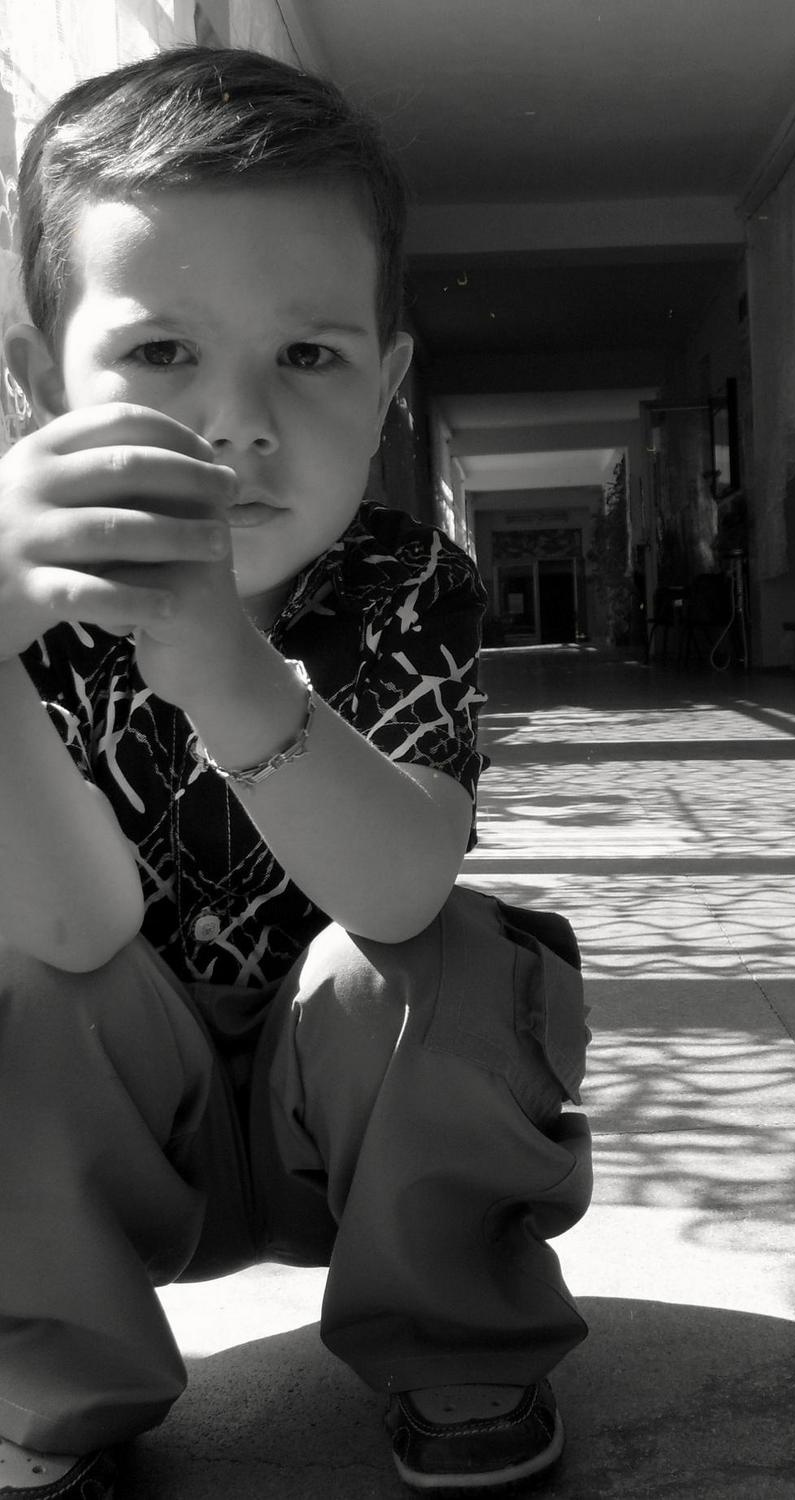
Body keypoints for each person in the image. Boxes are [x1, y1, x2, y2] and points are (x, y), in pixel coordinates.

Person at [0, 45, 591, 1498]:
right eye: (160, 353)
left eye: (309, 356)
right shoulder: (24, 606)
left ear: (388, 386)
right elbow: (69, 934)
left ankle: (454, 1332)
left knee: (458, 955)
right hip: (113, 1138)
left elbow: (398, 893)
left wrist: (224, 669)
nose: (238, 421)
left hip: (356, 1126)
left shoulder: (407, 583)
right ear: (37, 379)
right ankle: (48, 1380)